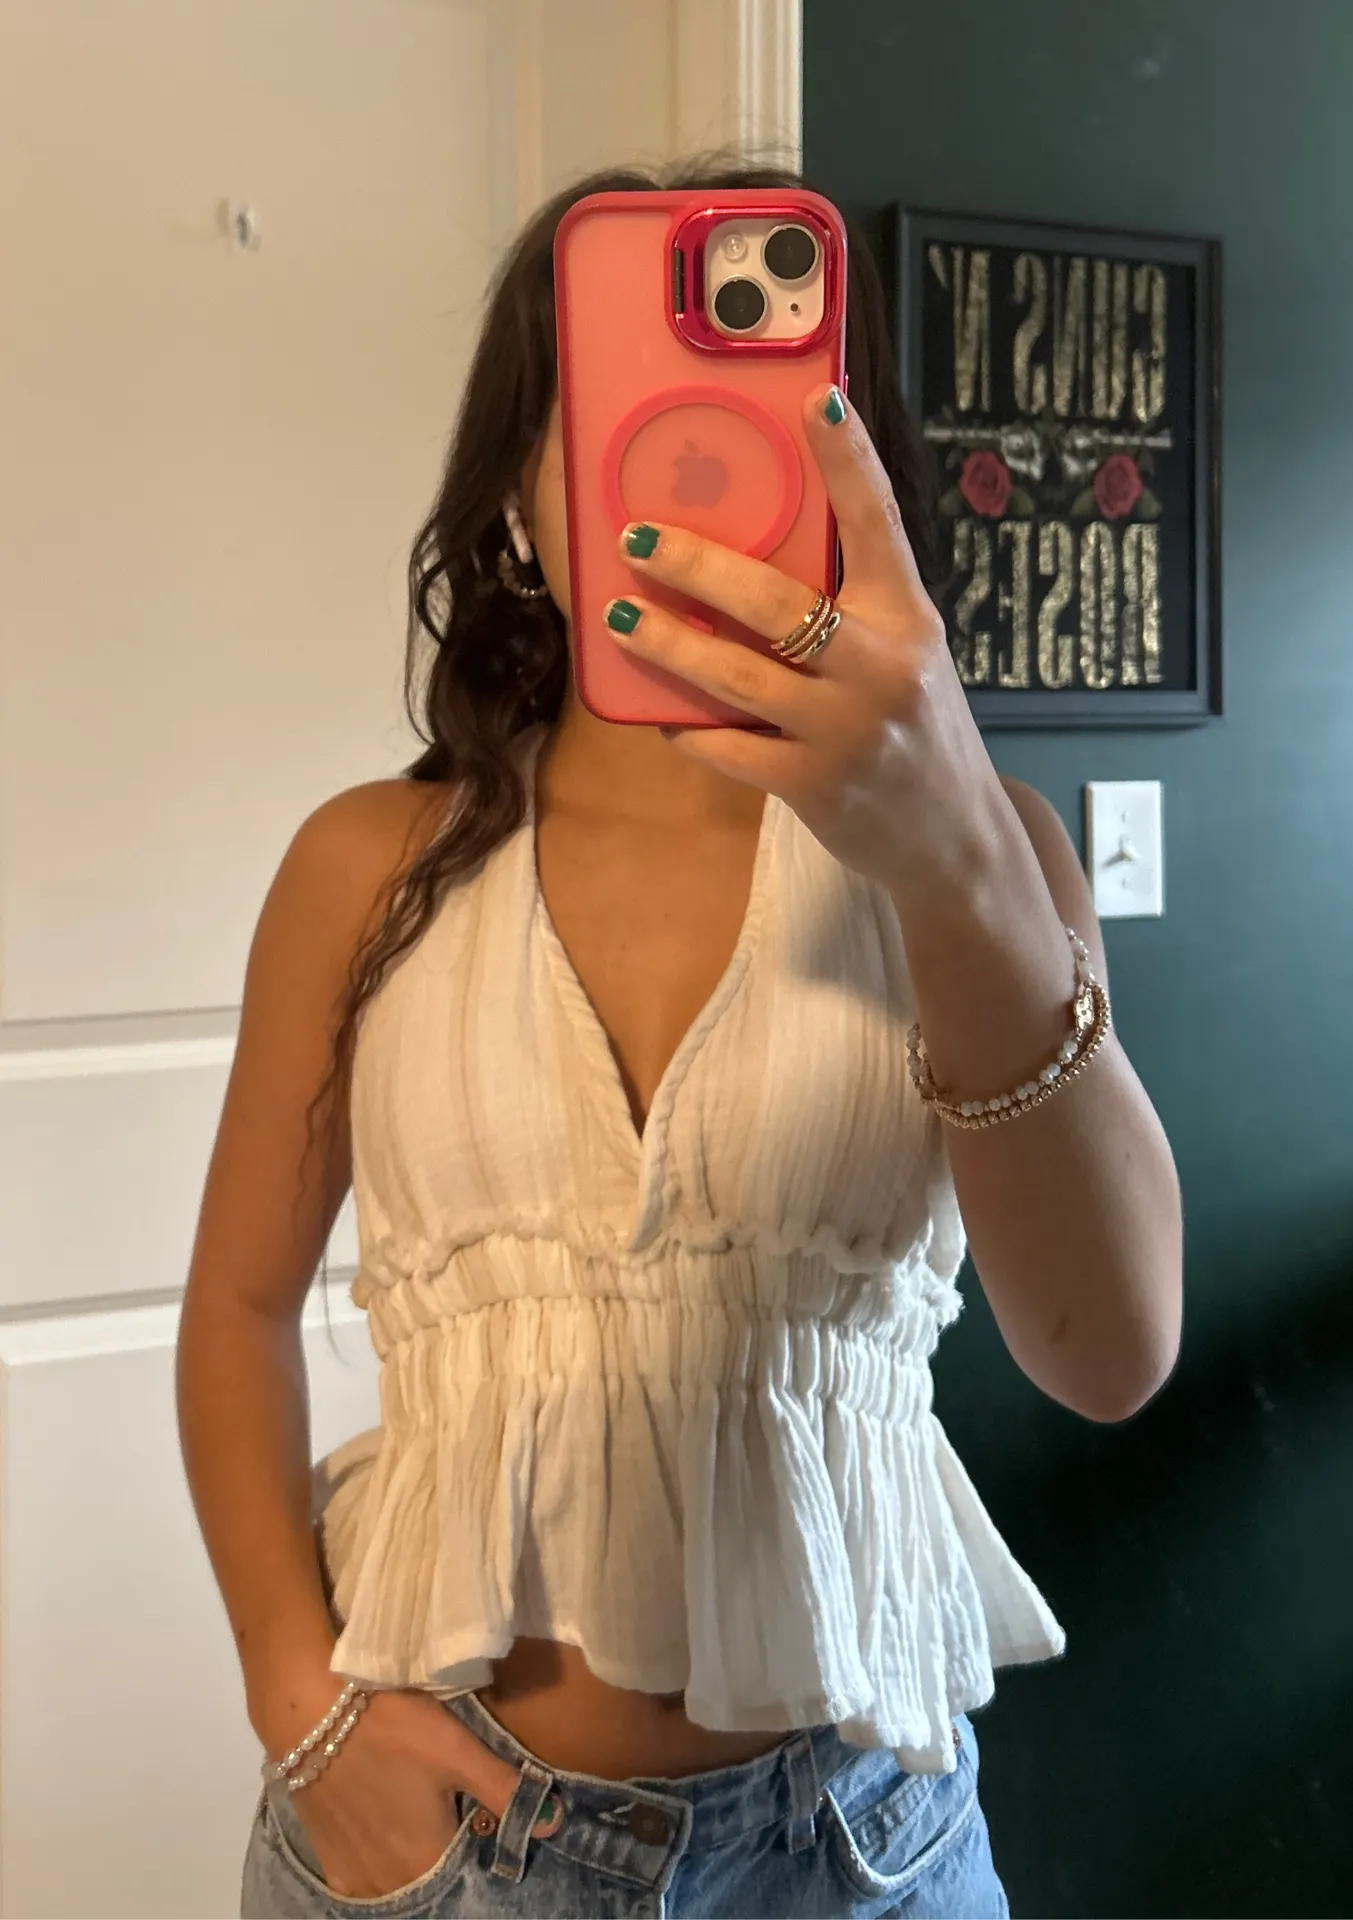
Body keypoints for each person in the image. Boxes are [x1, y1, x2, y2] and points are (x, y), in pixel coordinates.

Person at [177, 158, 1183, 1920]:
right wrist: (295, 1698)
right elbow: (239, 1308)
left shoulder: (986, 852)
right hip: (439, 1850)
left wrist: (956, 859)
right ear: (518, 496)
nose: (695, 473)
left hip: (862, 1852)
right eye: (632, 418)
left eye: (757, 422)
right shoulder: (367, 867)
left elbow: (1113, 1353)